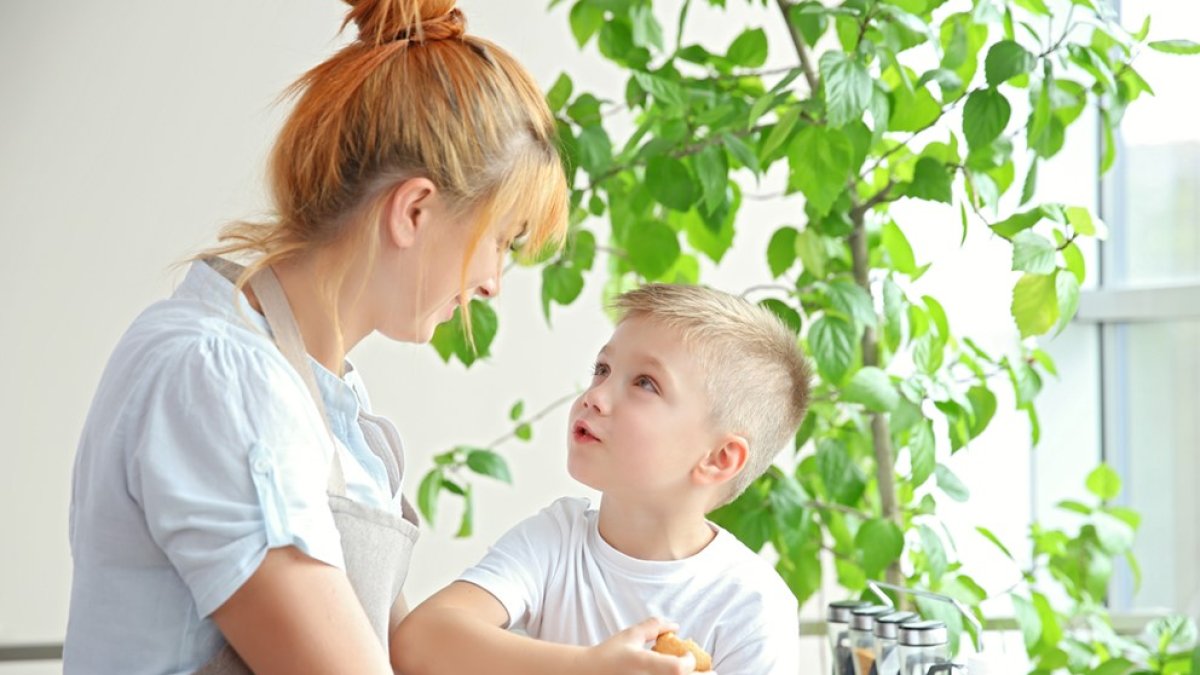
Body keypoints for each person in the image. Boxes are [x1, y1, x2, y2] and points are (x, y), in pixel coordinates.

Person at [63, 0, 568, 671]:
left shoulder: (328, 403)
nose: (493, 282)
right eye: (499, 241)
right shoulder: (215, 378)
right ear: (413, 209)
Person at [393, 284, 813, 675]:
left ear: (719, 459)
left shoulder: (753, 604)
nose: (595, 395)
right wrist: (585, 668)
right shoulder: (555, 541)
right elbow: (418, 642)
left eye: (645, 383)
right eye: (603, 369)